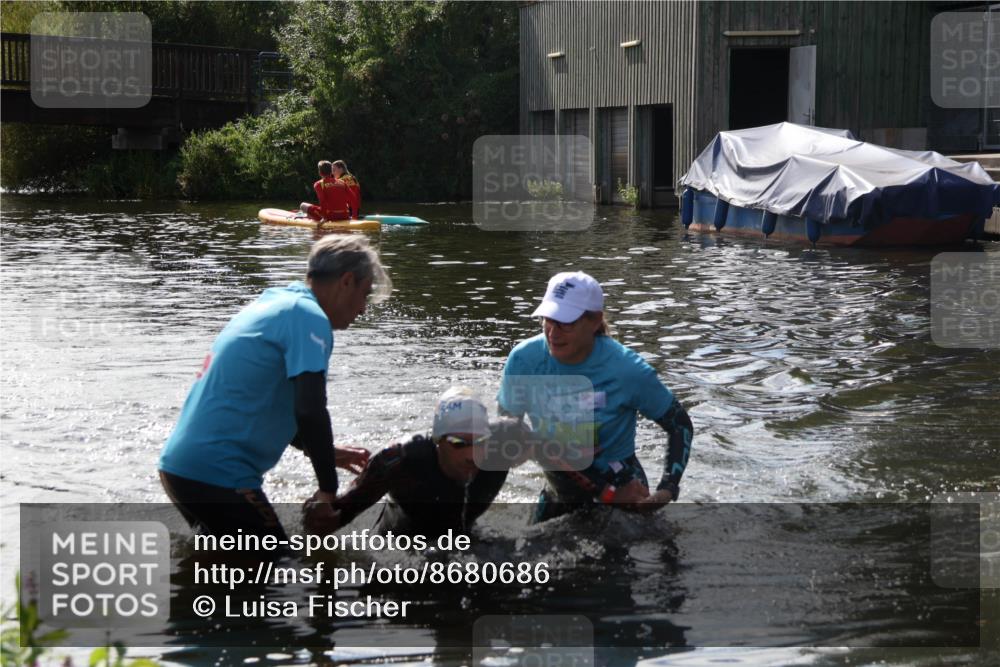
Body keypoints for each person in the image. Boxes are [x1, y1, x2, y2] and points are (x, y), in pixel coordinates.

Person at [159, 235, 392, 539]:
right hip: (218, 474)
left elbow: (267, 402)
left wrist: (322, 451)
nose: (363, 309)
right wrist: (327, 491)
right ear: (346, 281)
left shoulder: (279, 302)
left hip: (181, 468)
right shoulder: (309, 318)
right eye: (365, 294)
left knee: (224, 567)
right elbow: (309, 410)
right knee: (280, 574)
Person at [497, 271, 693, 523]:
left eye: (566, 322)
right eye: (548, 319)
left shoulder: (628, 370)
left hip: (624, 492)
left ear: (594, 321)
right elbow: (509, 433)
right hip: (562, 489)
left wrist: (667, 489)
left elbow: (680, 425)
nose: (553, 333)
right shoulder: (524, 360)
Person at [304, 387, 533, 537]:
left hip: (465, 542)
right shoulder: (400, 460)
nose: (471, 454)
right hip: (400, 549)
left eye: (480, 441)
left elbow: (556, 451)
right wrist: (316, 512)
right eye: (458, 443)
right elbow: (330, 520)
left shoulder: (507, 440)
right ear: (437, 441)